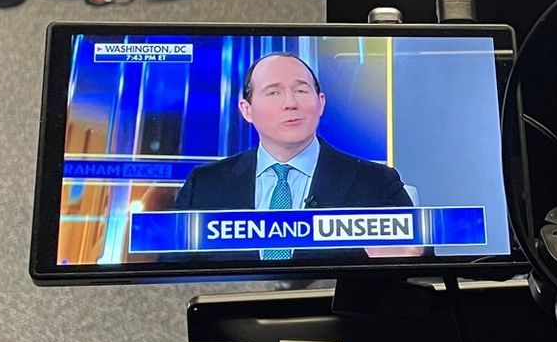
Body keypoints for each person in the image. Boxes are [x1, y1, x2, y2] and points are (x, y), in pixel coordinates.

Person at [173, 51, 418, 260]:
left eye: (301, 90)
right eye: (273, 92)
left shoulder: (376, 183)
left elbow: (424, 274)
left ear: (320, 103)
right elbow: (169, 272)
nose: (290, 103)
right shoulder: (204, 185)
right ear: (246, 110)